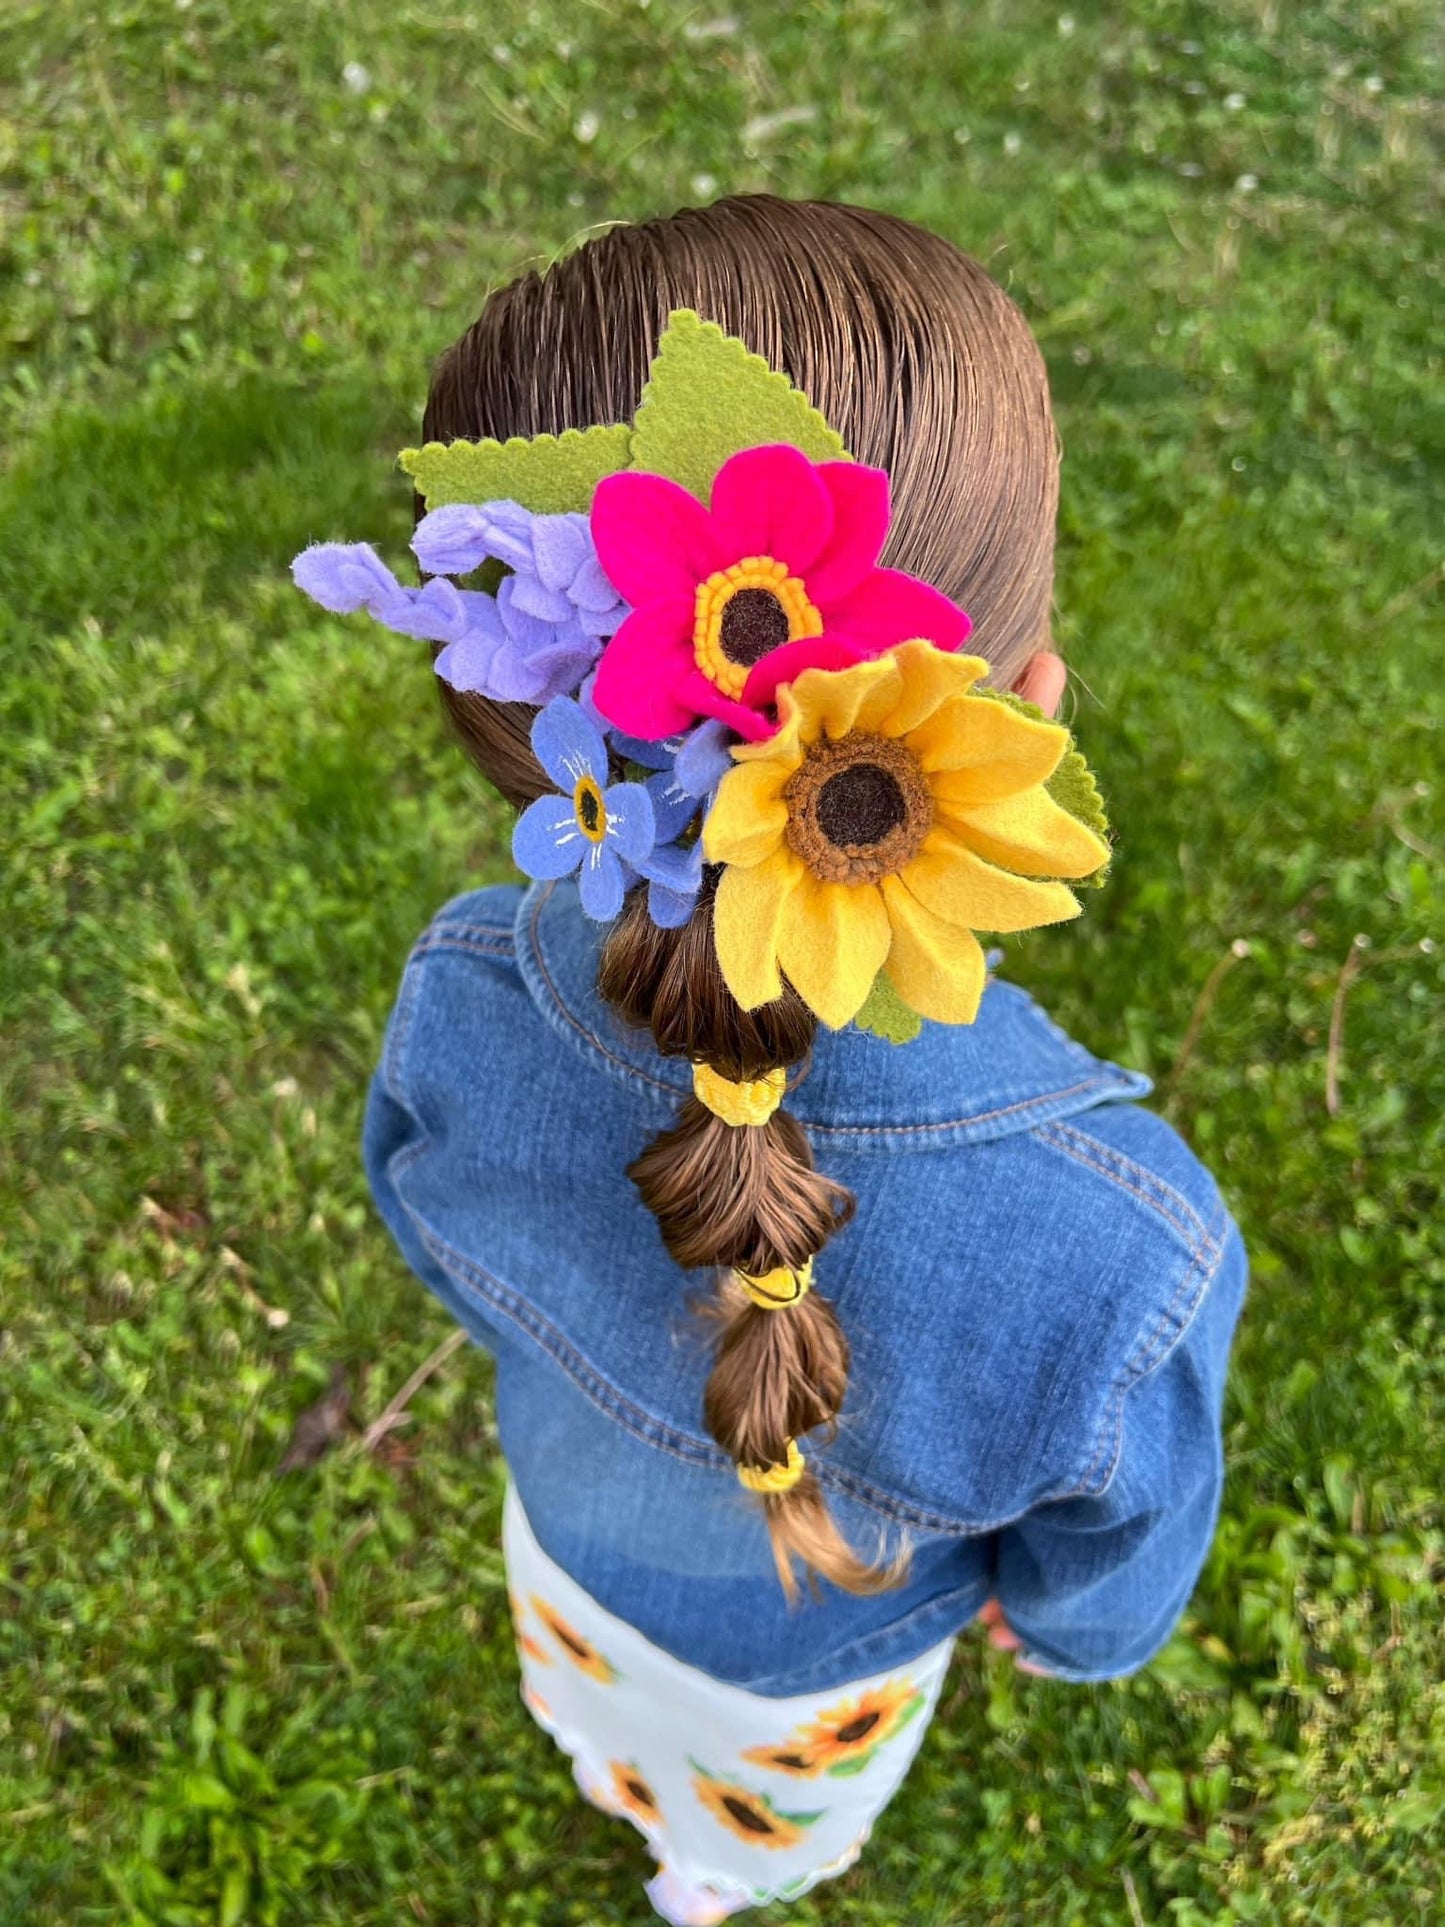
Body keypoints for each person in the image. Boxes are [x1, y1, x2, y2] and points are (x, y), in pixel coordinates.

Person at [294, 194, 1247, 1925]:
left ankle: (653, 1826)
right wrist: (1069, 1642)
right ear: (1022, 706)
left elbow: (423, 1215)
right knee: (750, 1828)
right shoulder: (1127, 1255)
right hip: (819, 1683)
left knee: (606, 1733)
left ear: (540, 759)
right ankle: (719, 1878)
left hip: (571, 1575)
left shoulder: (462, 992)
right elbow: (1109, 1558)